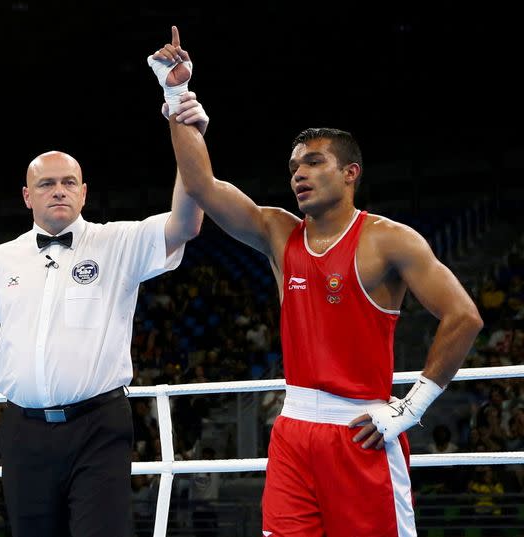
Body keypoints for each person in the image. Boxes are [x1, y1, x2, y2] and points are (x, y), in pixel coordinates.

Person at [151, 26, 484, 536]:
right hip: (293, 430)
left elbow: (464, 317)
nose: (298, 174)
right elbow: (201, 185)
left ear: (351, 172)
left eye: (313, 162)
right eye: (292, 167)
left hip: (363, 432)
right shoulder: (278, 231)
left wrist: (409, 409)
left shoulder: (390, 240)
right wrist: (176, 96)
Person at [0, 75, 208, 535]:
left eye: (68, 182)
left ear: (83, 192)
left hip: (99, 427)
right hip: (23, 433)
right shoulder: (2, 260)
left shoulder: (117, 242)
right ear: (27, 196)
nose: (58, 190)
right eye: (46, 184)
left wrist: (182, 118)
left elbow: (186, 221)